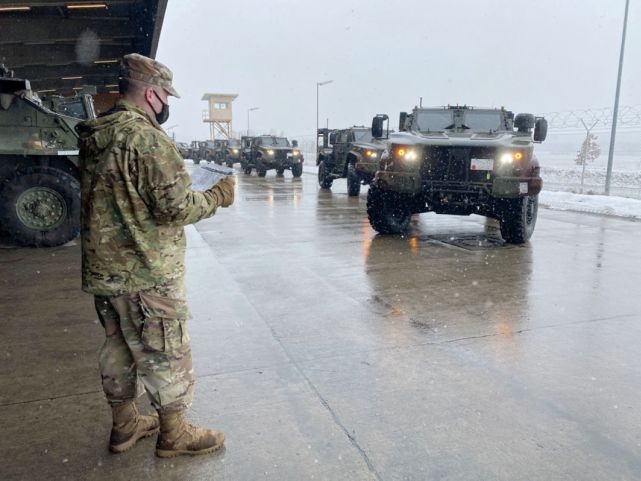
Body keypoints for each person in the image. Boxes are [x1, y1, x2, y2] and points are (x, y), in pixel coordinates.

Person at [77, 53, 234, 458]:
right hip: (145, 272)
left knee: (117, 348)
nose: (166, 104)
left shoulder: (96, 134)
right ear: (151, 94)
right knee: (166, 353)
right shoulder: (146, 138)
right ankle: (174, 434)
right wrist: (216, 195)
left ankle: (125, 425)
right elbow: (177, 208)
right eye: (166, 95)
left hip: (105, 271)